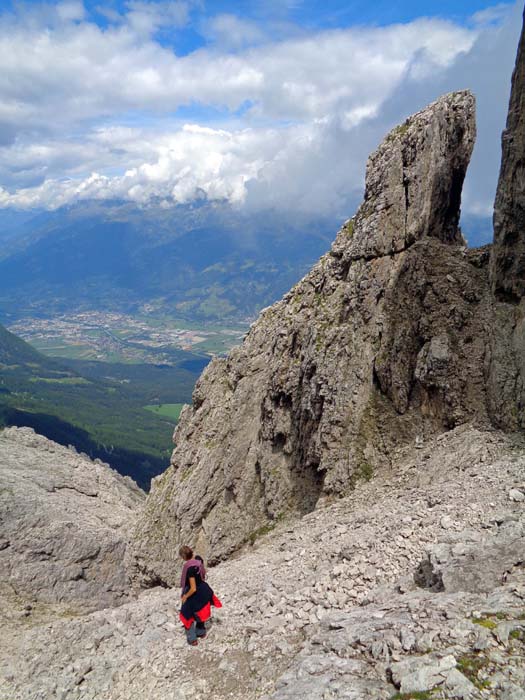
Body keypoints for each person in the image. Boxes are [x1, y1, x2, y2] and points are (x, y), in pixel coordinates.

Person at [179, 545, 222, 646]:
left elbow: (193, 588)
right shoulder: (199, 560)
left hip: (195, 593)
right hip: (204, 589)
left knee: (186, 614)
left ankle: (192, 639)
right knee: (200, 611)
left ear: (184, 558)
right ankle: (201, 632)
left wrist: (185, 596)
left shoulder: (190, 569)